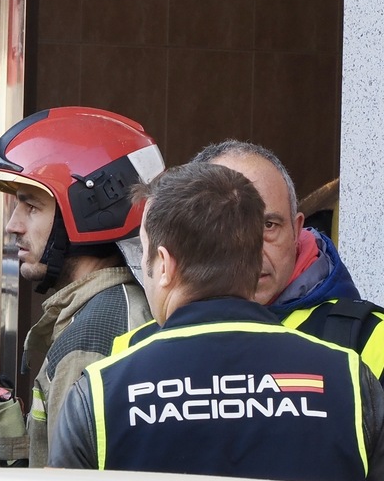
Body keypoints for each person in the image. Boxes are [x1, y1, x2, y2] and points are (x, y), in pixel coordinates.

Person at [50, 163, 384, 481]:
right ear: (255, 259)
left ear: (164, 264)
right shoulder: (351, 379)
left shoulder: (99, 393)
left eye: (145, 253)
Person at [0, 107, 164, 467]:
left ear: (87, 211)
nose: (13, 225)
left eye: (31, 207)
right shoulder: (110, 309)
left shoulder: (91, 338)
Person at [114, 141, 384, 377]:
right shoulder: (132, 350)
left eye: (268, 225)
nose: (248, 245)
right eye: (224, 226)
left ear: (297, 230)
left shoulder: (369, 339)